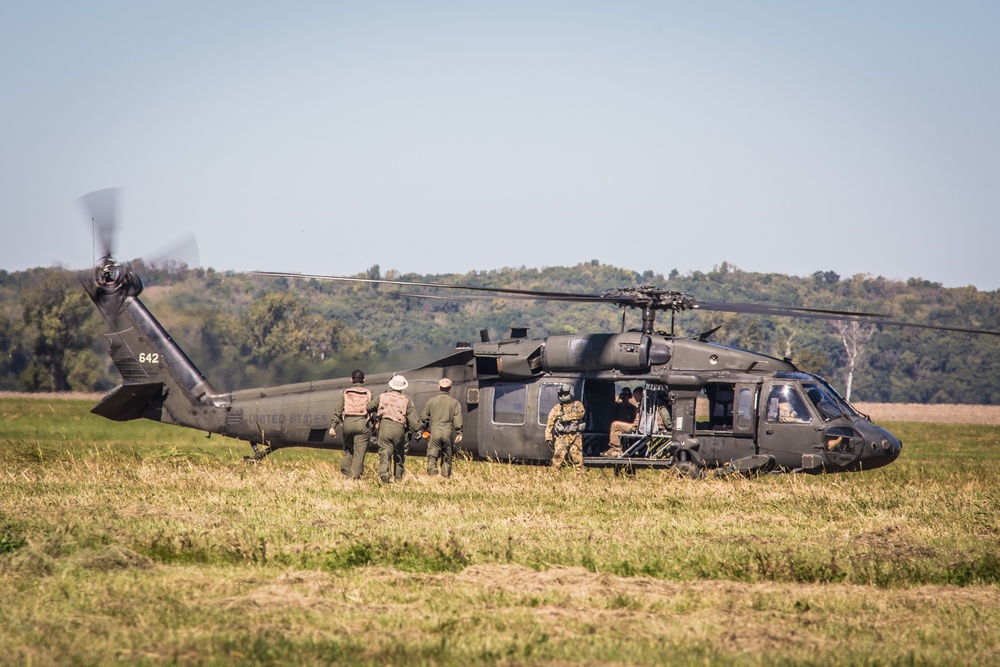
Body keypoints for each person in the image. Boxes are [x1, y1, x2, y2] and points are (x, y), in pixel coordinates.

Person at [367, 374, 421, 484]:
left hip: (385, 427)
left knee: (385, 453)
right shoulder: (407, 400)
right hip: (399, 429)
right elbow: (413, 419)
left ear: (391, 385)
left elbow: (369, 407)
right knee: (399, 454)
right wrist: (419, 430)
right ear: (402, 387)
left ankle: (384, 475)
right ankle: (398, 478)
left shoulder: (382, 396)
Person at [328, 369, 372, 479]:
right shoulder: (369, 393)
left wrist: (333, 427)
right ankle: (355, 477)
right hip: (362, 423)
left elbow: (337, 411)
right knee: (359, 454)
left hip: (347, 424)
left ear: (351, 380)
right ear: (364, 380)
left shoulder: (345, 394)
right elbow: (373, 410)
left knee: (348, 450)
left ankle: (346, 473)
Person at [421, 377, 463, 477]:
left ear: (439, 387)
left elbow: (424, 416)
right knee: (447, 454)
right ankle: (445, 475)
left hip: (435, 430)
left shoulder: (431, 401)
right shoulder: (454, 402)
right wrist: (459, 432)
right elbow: (458, 419)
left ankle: (432, 473)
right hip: (447, 431)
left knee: (432, 453)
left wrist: (425, 428)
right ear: (450, 388)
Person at [544, 383, 586, 473]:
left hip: (575, 436)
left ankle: (580, 477)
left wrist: (564, 418)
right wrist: (548, 435)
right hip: (562, 437)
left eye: (566, 393)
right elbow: (550, 422)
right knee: (557, 459)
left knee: (577, 458)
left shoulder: (577, 404)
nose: (563, 396)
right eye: (561, 394)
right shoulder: (557, 408)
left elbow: (580, 414)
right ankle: (555, 478)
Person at [606, 387, 638, 457]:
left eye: (625, 395)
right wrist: (618, 400)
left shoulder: (633, 408)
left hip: (628, 426)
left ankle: (618, 450)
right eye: (623, 395)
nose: (624, 397)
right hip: (620, 427)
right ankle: (616, 450)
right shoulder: (618, 406)